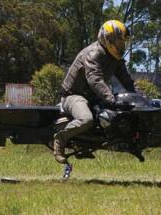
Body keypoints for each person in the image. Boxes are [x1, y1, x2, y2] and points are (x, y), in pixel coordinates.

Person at [54, 20, 137, 164]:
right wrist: (111, 98)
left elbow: (127, 80)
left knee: (114, 116)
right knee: (86, 119)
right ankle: (60, 139)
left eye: (123, 43)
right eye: (119, 42)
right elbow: (94, 79)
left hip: (93, 97)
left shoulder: (115, 57)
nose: (121, 46)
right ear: (108, 39)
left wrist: (140, 99)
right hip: (73, 95)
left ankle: (86, 144)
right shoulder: (94, 53)